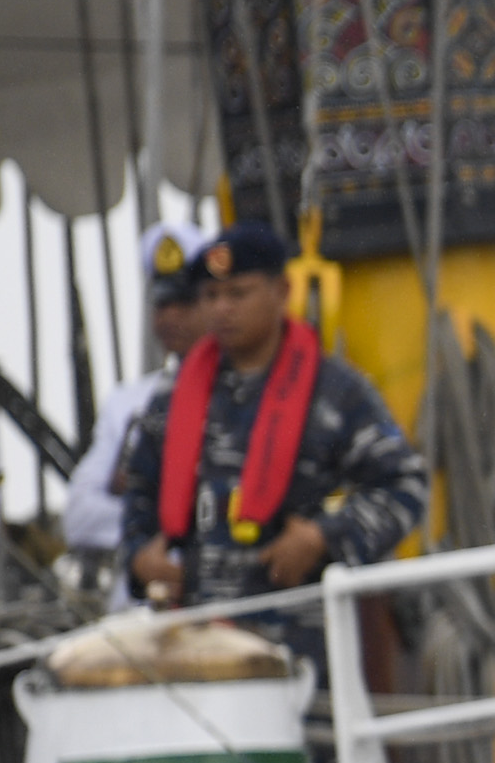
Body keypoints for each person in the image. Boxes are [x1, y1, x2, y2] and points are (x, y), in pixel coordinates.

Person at [115, 223, 430, 668]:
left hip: (306, 649)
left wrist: (325, 536)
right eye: (210, 297)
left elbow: (405, 485)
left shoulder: (338, 394)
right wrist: (140, 558)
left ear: (281, 292)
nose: (222, 309)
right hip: (197, 647)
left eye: (238, 294)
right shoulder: (170, 403)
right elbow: (139, 492)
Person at [63, 224, 218, 592]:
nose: (169, 318)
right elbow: (79, 517)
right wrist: (164, 528)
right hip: (143, 601)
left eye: (185, 303)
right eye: (162, 305)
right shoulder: (128, 403)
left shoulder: (248, 395)